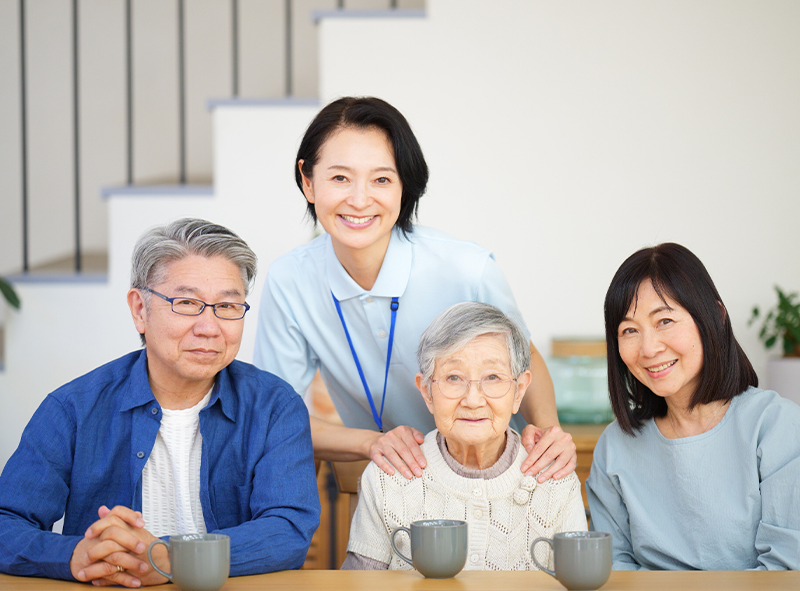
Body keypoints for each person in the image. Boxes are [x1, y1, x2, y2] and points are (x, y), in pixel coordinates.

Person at [254, 96, 575, 483]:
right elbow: (276, 417)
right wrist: (369, 443)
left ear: (404, 186)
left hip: (500, 472)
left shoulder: (466, 268)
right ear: (308, 181)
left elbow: (526, 357)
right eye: (340, 178)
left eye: (382, 179)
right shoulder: (290, 280)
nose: (359, 200)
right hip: (395, 480)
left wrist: (550, 431)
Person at [0, 218, 320, 586]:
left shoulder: (275, 407)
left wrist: (169, 558)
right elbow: (6, 522)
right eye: (187, 303)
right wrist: (73, 555)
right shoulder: (73, 408)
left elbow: (288, 530)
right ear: (140, 310)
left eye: (228, 307)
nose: (209, 327)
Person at [586, 242, 800, 570]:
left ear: (715, 316)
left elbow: (786, 571)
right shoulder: (614, 447)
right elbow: (614, 571)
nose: (648, 348)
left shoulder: (775, 428)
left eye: (665, 321)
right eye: (629, 330)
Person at [341, 302, 586, 570]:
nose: (472, 400)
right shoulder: (388, 476)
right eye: (454, 377)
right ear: (426, 392)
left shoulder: (555, 480)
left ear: (519, 391)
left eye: (492, 377)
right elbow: (358, 584)